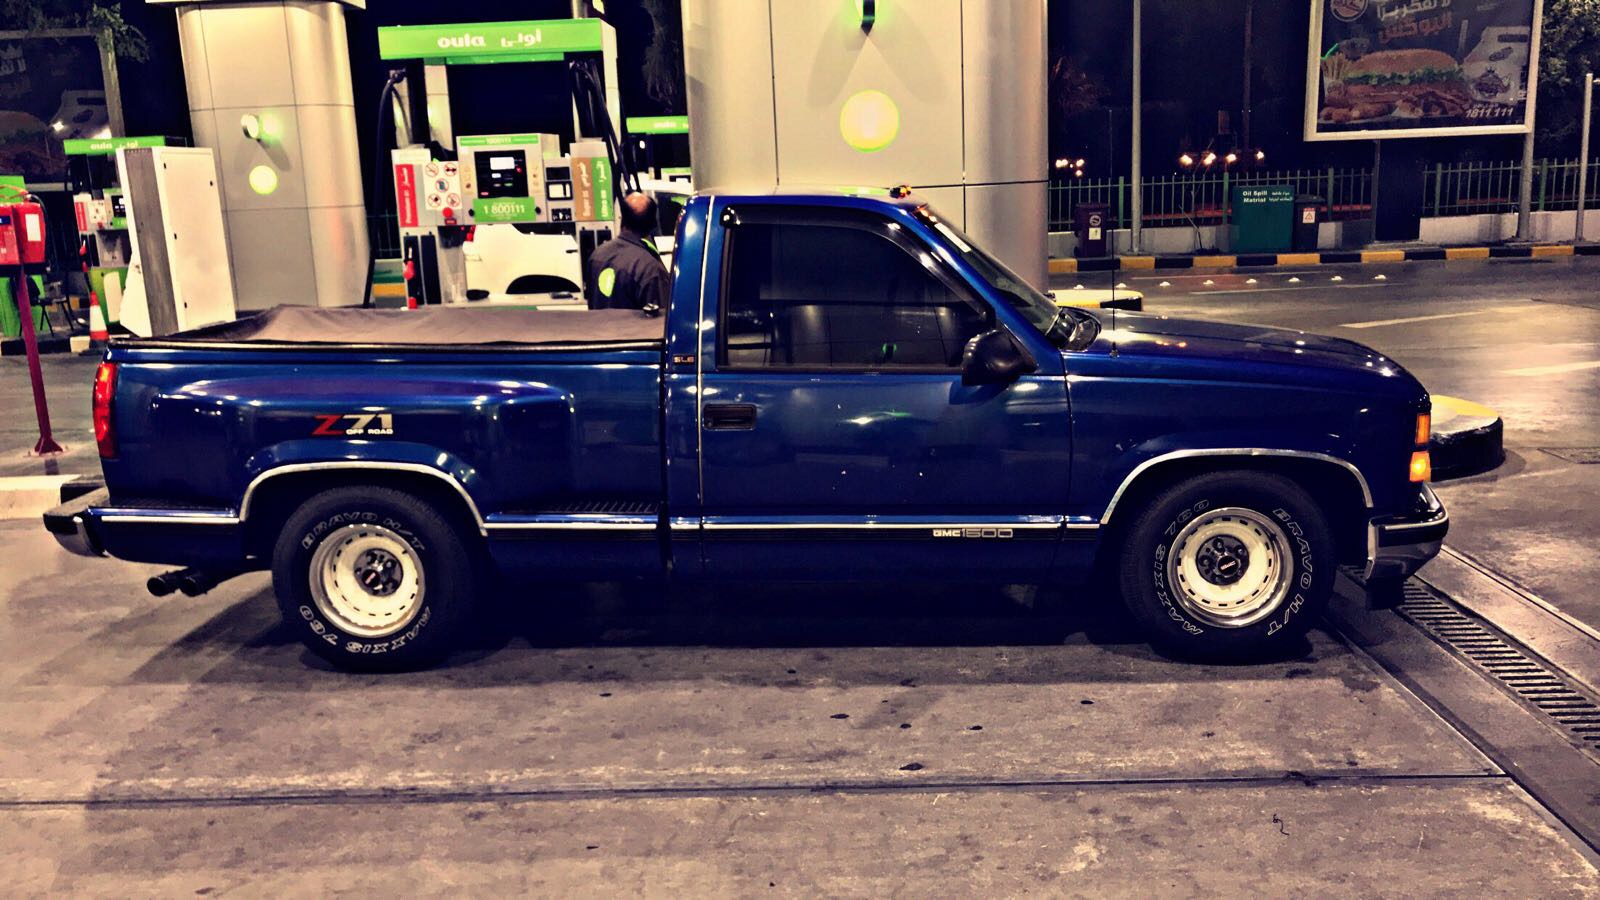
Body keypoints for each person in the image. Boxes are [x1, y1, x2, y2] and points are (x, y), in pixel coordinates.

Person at [585, 192, 669, 314]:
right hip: (634, 328)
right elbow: (661, 318)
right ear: (653, 224)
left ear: (622, 219)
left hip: (599, 326)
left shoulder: (597, 255)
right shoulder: (649, 269)